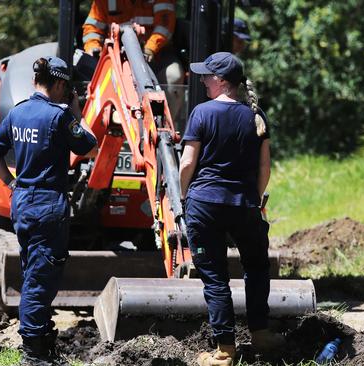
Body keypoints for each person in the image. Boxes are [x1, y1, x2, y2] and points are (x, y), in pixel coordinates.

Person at [0, 56, 97, 363]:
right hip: (48, 205)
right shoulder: (58, 116)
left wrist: (10, 182)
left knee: (34, 271)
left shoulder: (18, 112)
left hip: (23, 203)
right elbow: (88, 145)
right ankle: (34, 354)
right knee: (40, 279)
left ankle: (44, 344)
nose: (67, 94)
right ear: (59, 84)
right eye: (66, 88)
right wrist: (76, 113)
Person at [178, 52, 285, 366]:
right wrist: (253, 196)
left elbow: (187, 163)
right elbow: (265, 168)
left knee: (215, 278)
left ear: (222, 80)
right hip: (244, 204)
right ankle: (261, 334)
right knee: (256, 268)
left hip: (205, 204)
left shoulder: (202, 113)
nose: (202, 80)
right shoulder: (256, 115)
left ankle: (225, 350)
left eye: (207, 76)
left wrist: (185, 198)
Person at [82, 0, 184, 116]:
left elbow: (165, 24)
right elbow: (92, 27)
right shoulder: (104, 2)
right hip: (115, 59)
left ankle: (167, 125)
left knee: (174, 75)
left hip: (155, 57)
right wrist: (93, 47)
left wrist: (150, 48)